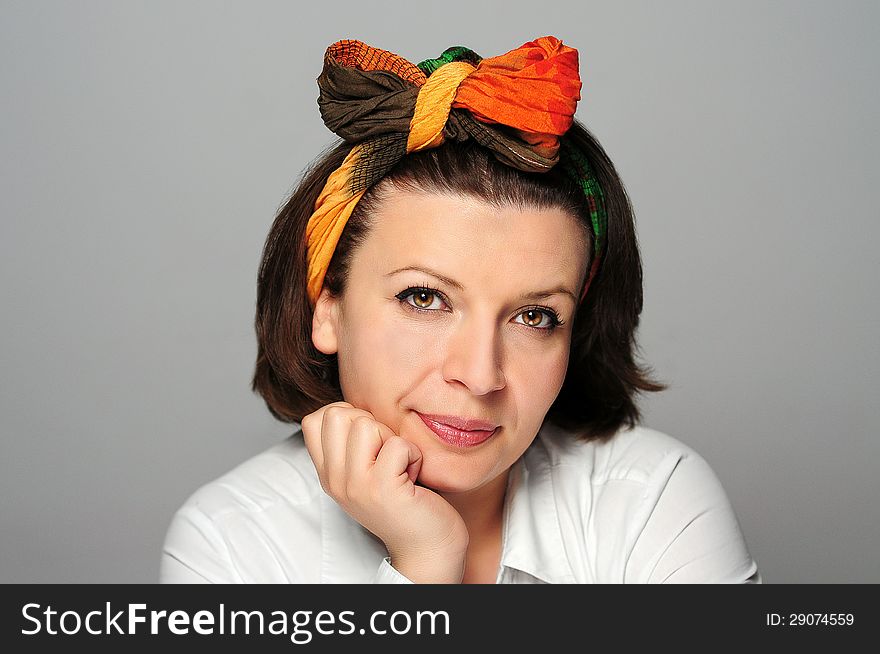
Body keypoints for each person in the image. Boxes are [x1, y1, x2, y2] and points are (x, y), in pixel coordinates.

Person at [160, 37, 761, 584]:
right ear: (328, 310)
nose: (479, 376)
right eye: (425, 298)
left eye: (535, 316)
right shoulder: (232, 544)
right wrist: (425, 563)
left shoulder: (655, 501)